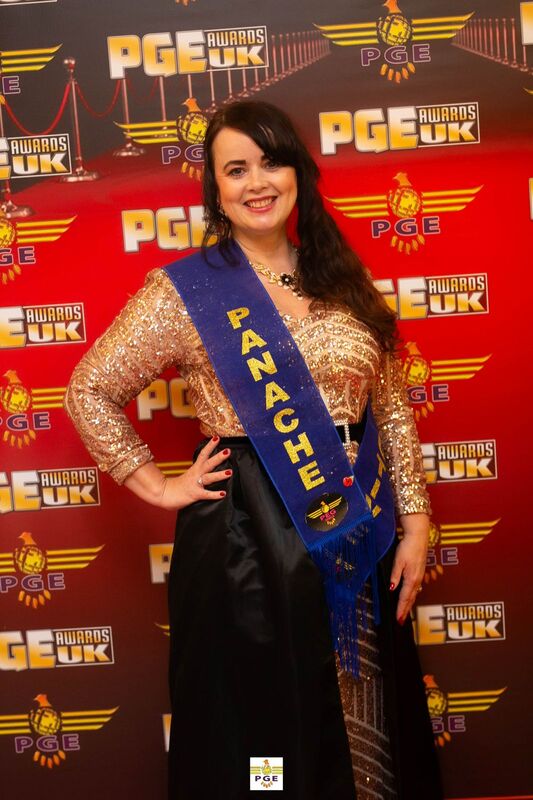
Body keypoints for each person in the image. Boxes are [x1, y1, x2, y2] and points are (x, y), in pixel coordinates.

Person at [65, 100, 442, 800]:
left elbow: (389, 403)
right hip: (246, 532)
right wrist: (158, 485)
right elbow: (89, 389)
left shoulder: (341, 278)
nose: (257, 182)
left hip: (356, 518)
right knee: (261, 714)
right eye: (236, 169)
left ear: (298, 173)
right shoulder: (186, 291)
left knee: (359, 693)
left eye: (271, 162)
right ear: (216, 189)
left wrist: (415, 520)